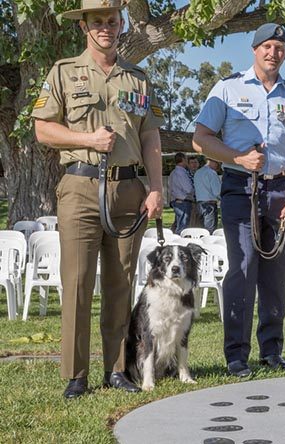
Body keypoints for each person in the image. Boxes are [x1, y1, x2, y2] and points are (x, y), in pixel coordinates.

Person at [31, 0, 164, 398]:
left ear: (121, 24)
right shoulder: (63, 73)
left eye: (111, 20)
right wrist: (87, 139)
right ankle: (76, 375)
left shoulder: (138, 78)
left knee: (121, 283)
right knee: (77, 282)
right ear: (84, 26)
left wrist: (156, 187)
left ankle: (117, 369)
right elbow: (43, 129)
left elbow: (150, 137)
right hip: (80, 188)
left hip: (128, 191)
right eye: (97, 21)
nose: (105, 27)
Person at [192, 23, 285, 377]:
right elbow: (200, 139)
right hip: (240, 188)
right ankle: (236, 355)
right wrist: (237, 157)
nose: (273, 53)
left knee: (276, 275)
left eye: (280, 47)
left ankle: (272, 351)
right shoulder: (228, 89)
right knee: (242, 270)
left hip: (282, 192)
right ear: (254, 49)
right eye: (267, 46)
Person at [168, 152, 195, 234]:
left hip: (177, 201)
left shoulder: (173, 172)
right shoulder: (181, 173)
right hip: (183, 201)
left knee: (178, 224)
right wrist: (194, 191)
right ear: (183, 159)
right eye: (186, 159)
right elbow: (188, 189)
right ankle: (180, 242)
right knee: (183, 227)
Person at [194, 158, 222, 232]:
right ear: (212, 161)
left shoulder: (197, 172)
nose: (217, 166)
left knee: (201, 230)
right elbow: (217, 191)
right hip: (210, 204)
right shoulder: (212, 173)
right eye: (217, 163)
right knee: (210, 230)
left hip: (199, 203)